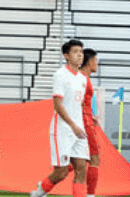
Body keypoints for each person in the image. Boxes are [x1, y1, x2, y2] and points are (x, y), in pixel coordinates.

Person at [29, 40, 89, 197]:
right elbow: (58, 105)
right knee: (61, 172)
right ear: (66, 55)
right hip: (62, 129)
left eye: (81, 52)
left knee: (81, 167)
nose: (80, 55)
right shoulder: (60, 75)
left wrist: (88, 119)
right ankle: (39, 191)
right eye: (76, 52)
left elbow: (78, 104)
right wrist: (72, 125)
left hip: (79, 130)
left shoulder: (83, 78)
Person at [79, 49, 101, 197]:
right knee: (94, 157)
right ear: (90, 61)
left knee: (79, 158)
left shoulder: (83, 77)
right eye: (96, 61)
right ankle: (90, 194)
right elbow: (78, 101)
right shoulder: (82, 78)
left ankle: (45, 185)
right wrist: (86, 116)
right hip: (83, 120)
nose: (97, 64)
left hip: (85, 118)